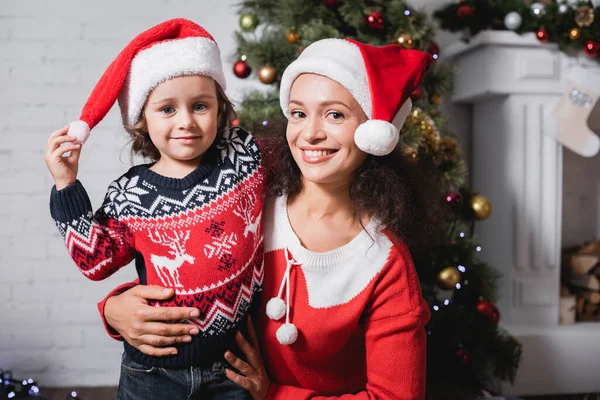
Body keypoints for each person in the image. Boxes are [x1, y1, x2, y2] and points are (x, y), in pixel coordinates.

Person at [100, 38, 441, 399]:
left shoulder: (384, 264)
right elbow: (187, 269)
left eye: (335, 114)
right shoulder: (248, 198)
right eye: (298, 113)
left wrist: (274, 395)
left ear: (373, 131)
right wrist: (114, 309)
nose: (310, 134)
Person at [44, 18, 263, 400]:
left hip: (233, 368)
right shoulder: (131, 194)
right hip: (154, 372)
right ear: (141, 119)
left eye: (200, 105)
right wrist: (66, 186)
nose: (186, 122)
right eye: (166, 109)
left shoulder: (243, 154)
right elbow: (95, 262)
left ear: (220, 108)